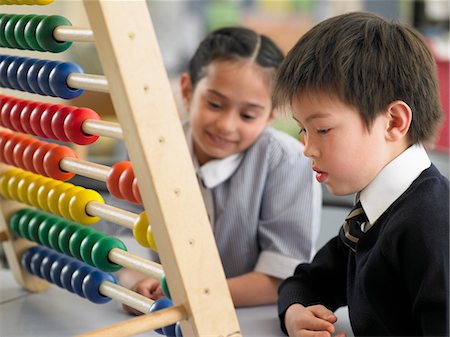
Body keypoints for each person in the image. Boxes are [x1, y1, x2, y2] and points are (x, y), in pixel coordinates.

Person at [108, 26, 322, 311]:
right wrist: (138, 283)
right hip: (162, 316)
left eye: (247, 115)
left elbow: (280, 275)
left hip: (249, 318)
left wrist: (186, 296)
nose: (226, 125)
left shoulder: (288, 161)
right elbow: (123, 240)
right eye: (215, 104)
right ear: (187, 91)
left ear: (271, 113)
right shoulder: (150, 151)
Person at [274, 12, 449, 337]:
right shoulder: (371, 215)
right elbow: (306, 281)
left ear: (394, 122)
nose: (307, 148)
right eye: (303, 130)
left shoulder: (431, 224)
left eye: (323, 129)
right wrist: (296, 315)